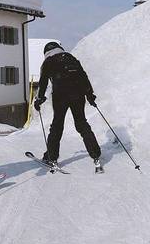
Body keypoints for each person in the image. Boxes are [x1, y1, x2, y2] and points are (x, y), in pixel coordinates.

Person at [34, 41, 103, 173]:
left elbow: (43, 81)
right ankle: (96, 154)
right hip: (78, 94)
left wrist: (39, 99)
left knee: (57, 125)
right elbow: (84, 76)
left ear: (46, 52)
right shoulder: (72, 58)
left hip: (60, 96)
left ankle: (51, 157)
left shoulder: (48, 61)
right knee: (81, 123)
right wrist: (89, 95)